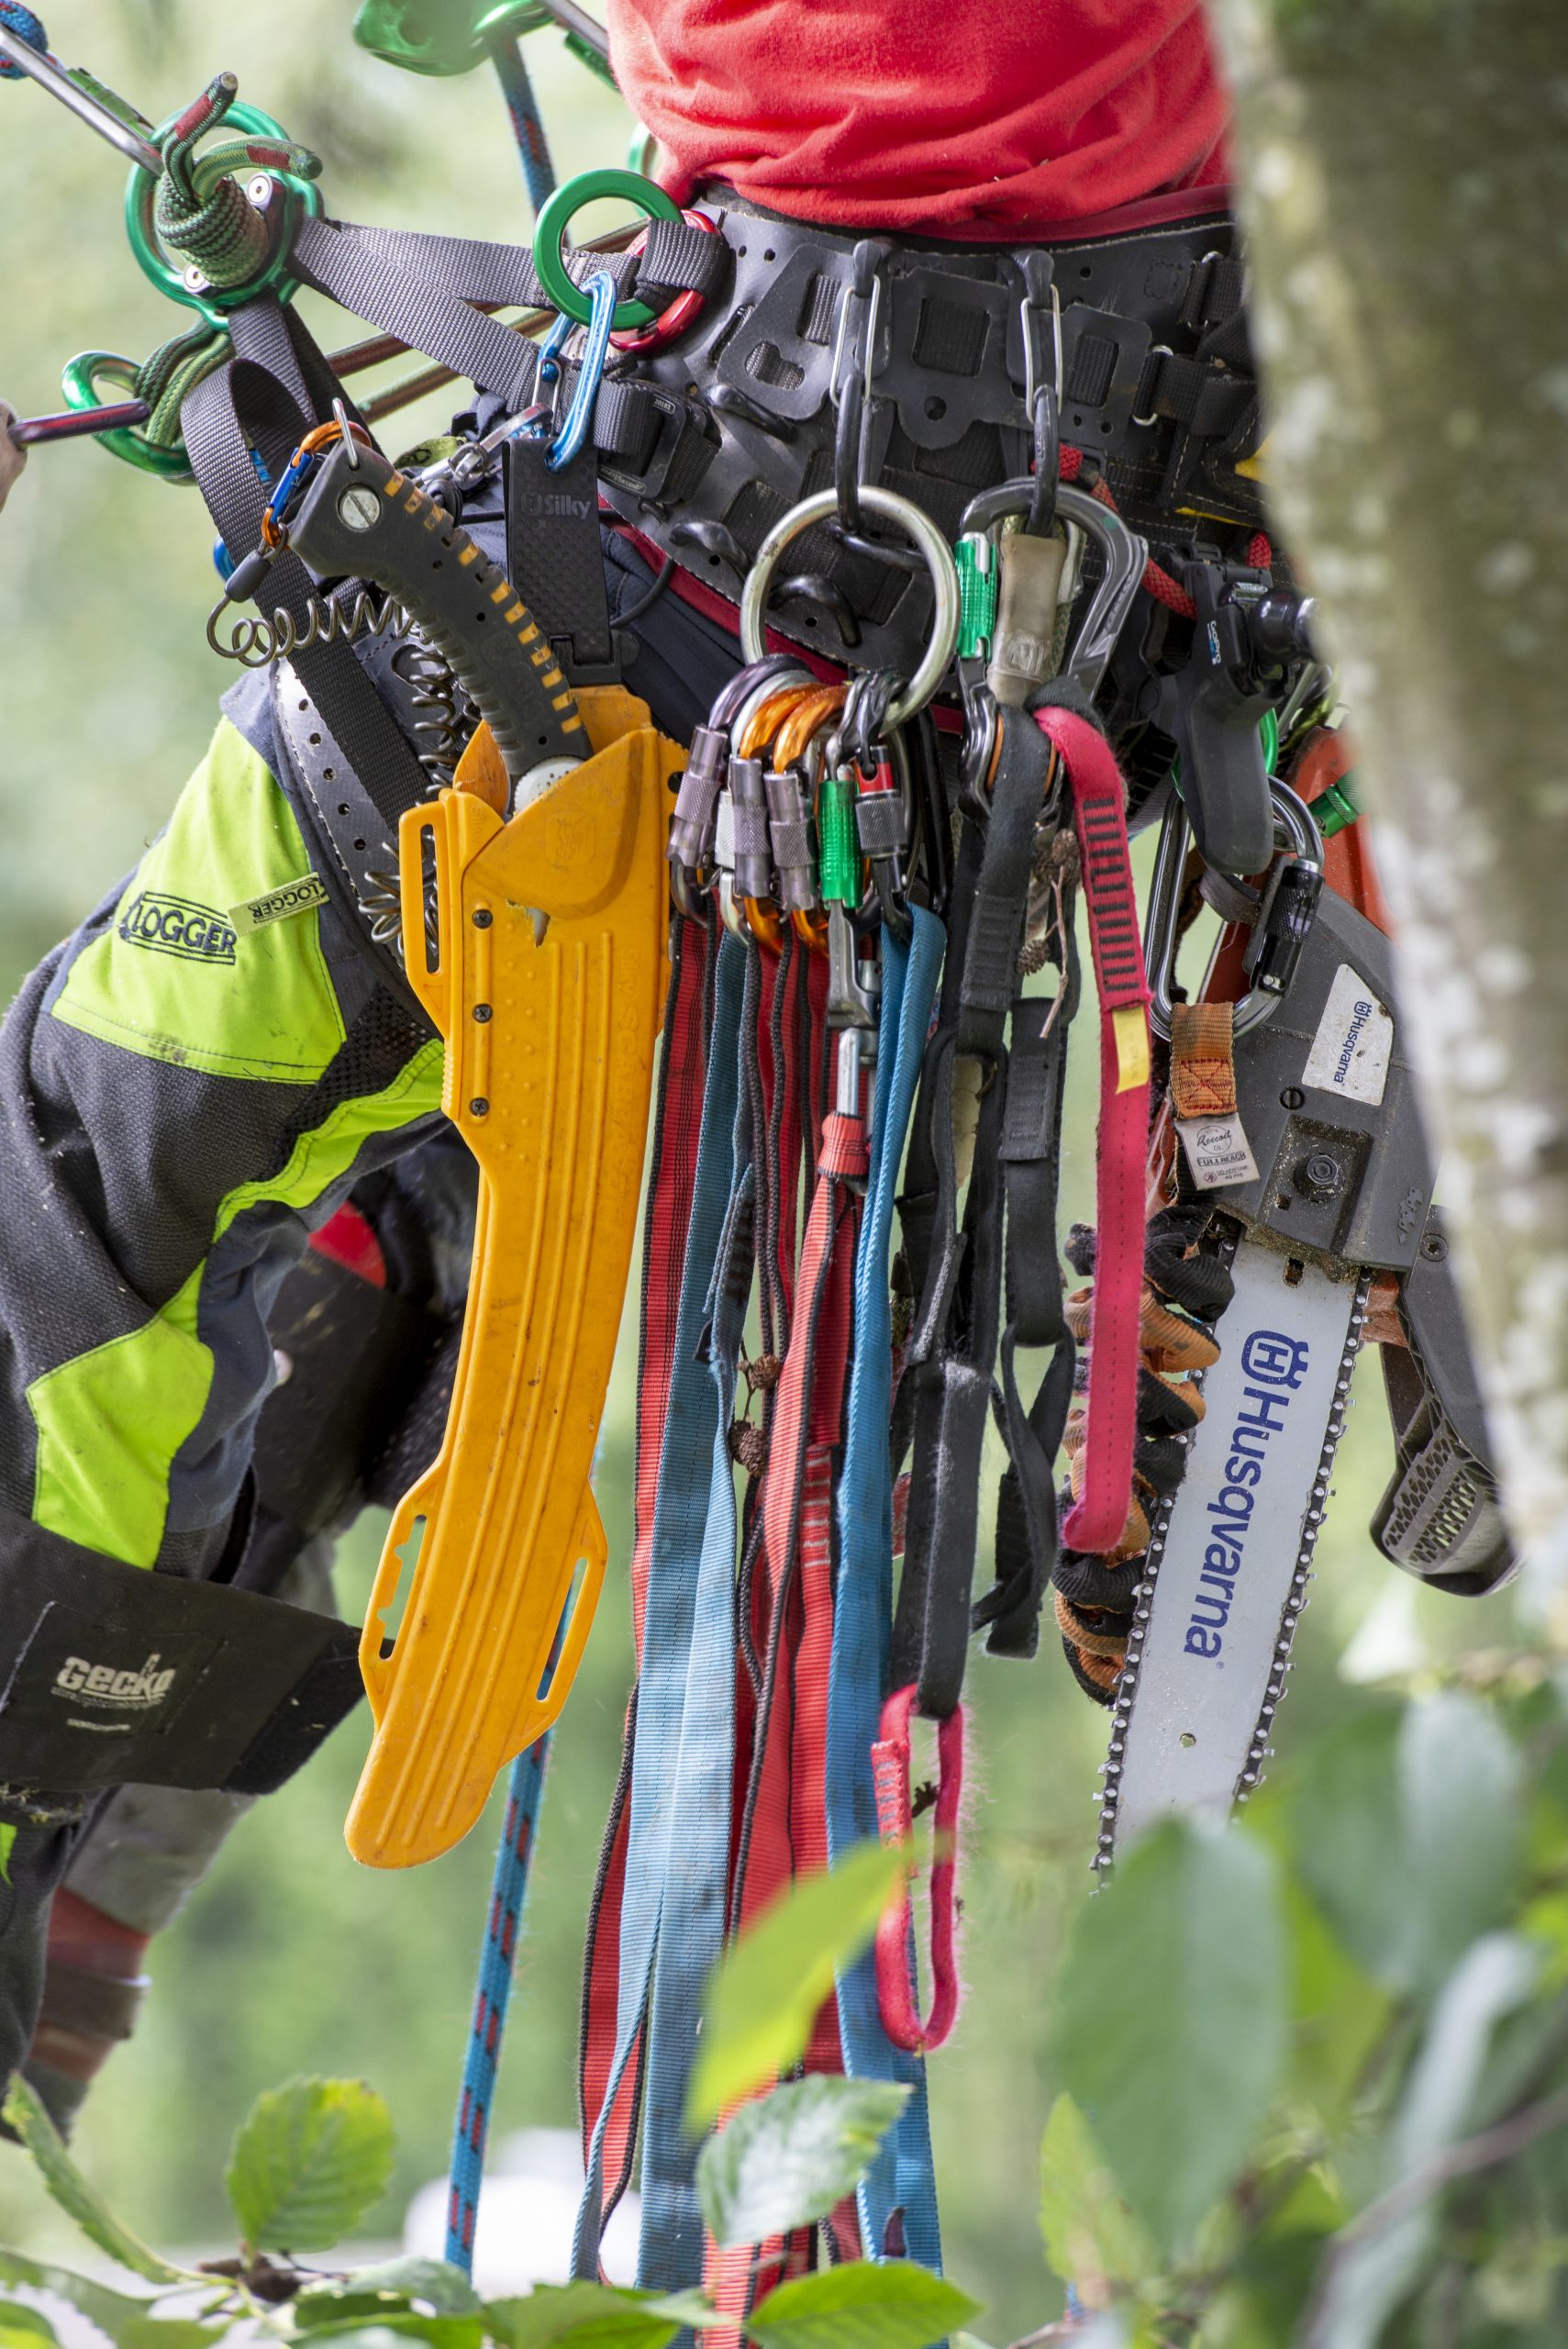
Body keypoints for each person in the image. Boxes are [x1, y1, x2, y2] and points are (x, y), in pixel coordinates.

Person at [0, 0, 1267, 2127]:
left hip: (680, 589)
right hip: (1034, 604)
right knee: (367, 1228)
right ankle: (75, 1906)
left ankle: (66, 1900)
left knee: (89, 1201)